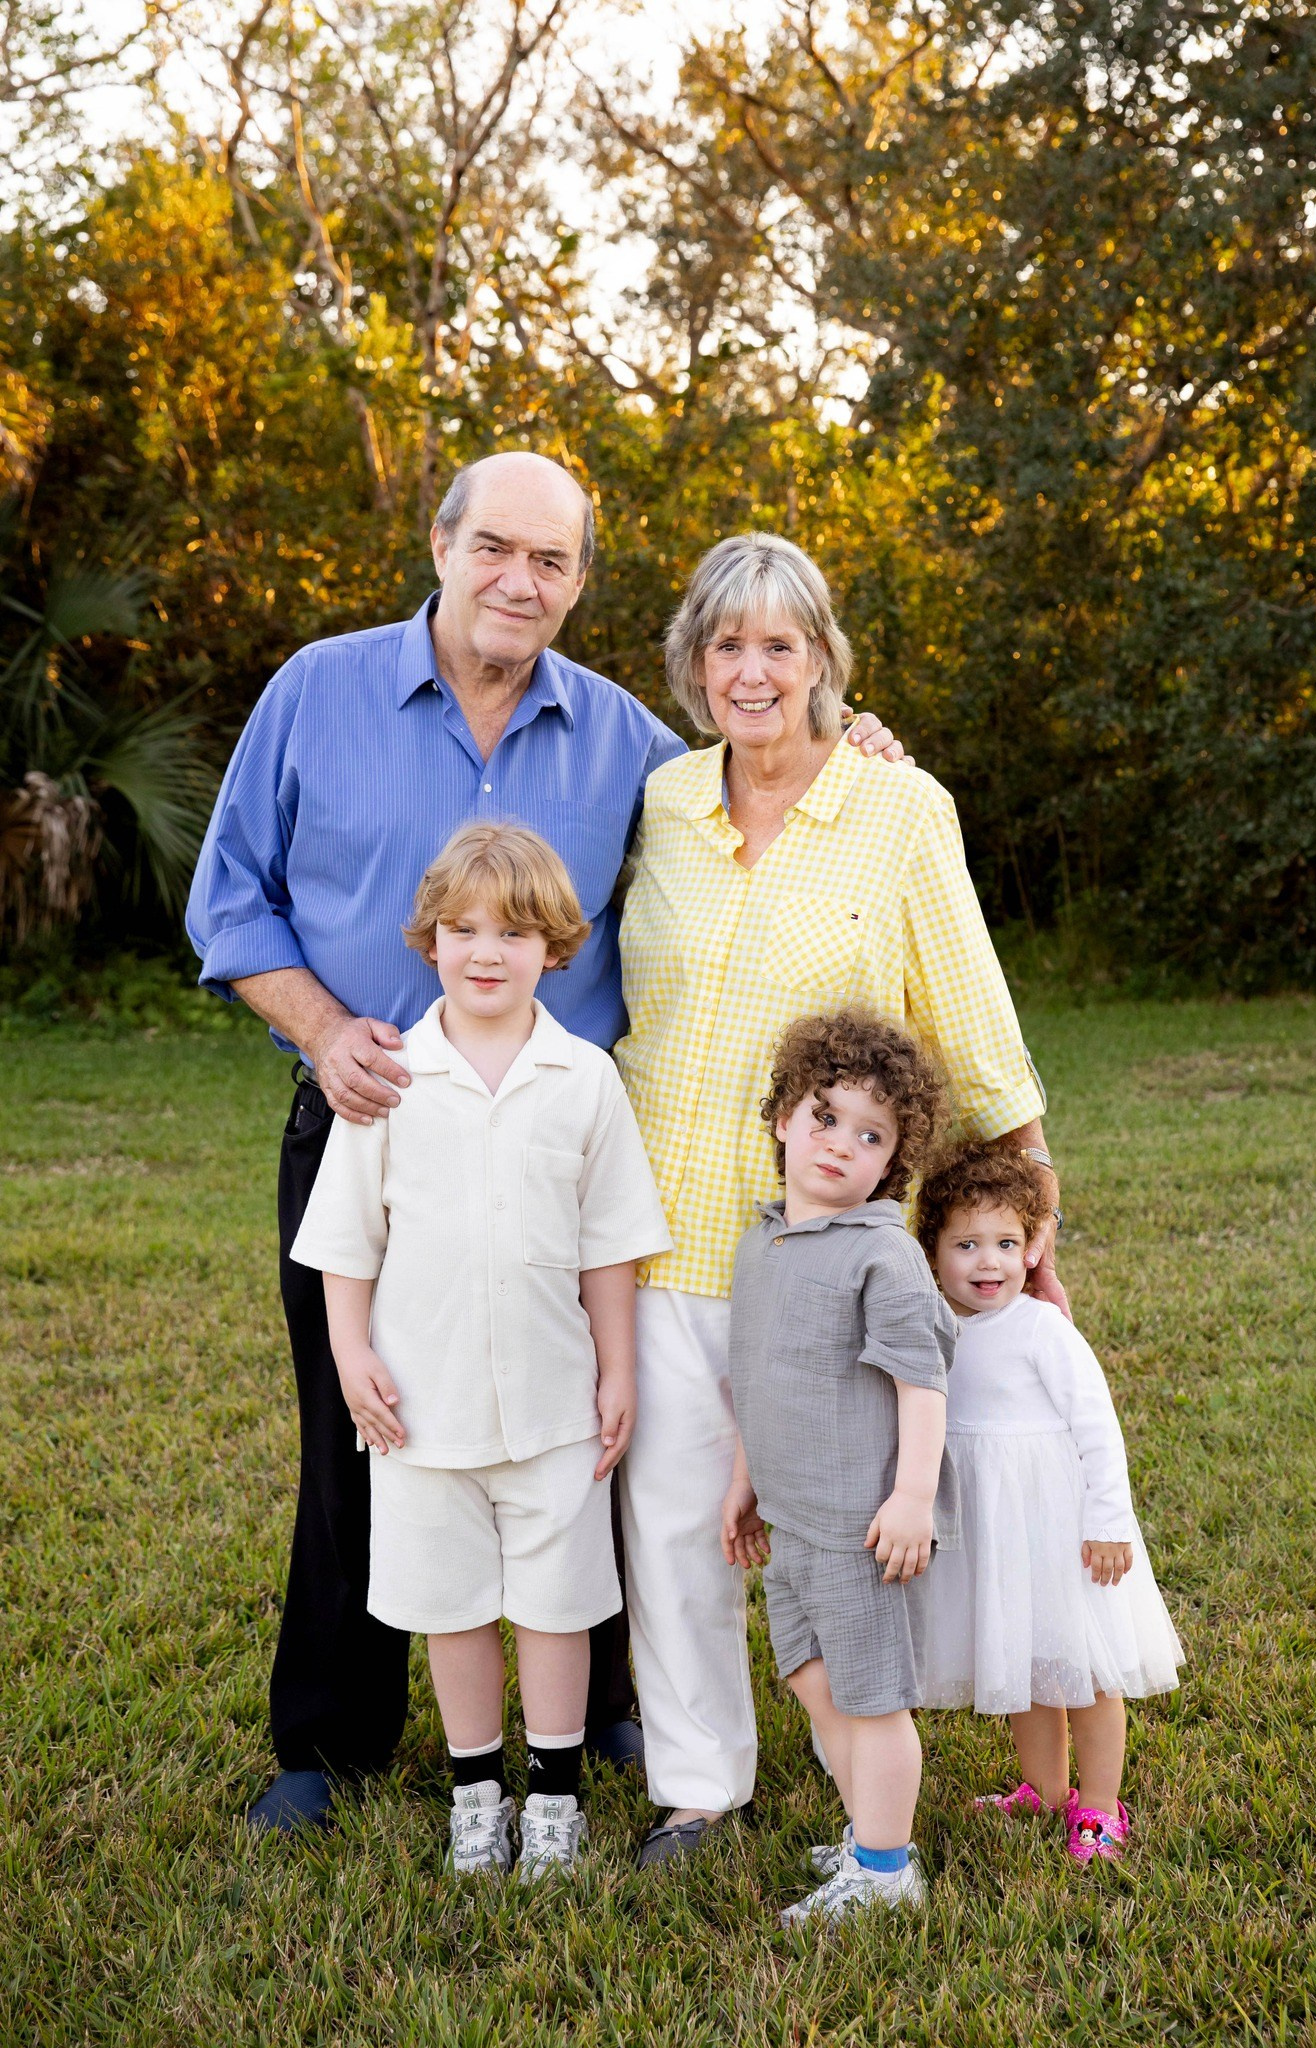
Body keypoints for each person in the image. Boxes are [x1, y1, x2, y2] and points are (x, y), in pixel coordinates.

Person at [186, 453, 900, 1833]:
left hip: (571, 1142)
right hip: (371, 1121)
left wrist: (853, 737)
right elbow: (231, 903)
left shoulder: (628, 739)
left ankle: (613, 1709)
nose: (521, 580)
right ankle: (329, 1736)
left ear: (579, 583)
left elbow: (758, 776)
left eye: (553, 561)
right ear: (441, 546)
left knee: (592, 1424)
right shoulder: (315, 693)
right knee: (362, 1418)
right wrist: (328, 1031)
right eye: (496, 548)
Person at [614, 529, 1066, 1865]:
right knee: (677, 1528)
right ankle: (699, 1787)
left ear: (822, 660)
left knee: (825, 1539)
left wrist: (1031, 1194)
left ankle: (866, 1784)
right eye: (726, 643)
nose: (750, 671)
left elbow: (973, 1018)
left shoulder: (899, 808)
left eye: (779, 644)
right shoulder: (661, 806)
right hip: (658, 1229)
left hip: (818, 1257)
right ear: (695, 663)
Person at [290, 822, 672, 1877]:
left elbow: (610, 1244)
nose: (486, 951)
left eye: (512, 930)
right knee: (451, 1604)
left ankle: (552, 1795)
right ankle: (478, 1787)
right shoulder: (390, 1075)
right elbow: (344, 1239)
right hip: (423, 1402)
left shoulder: (585, 1077)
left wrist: (620, 1368)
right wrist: (352, 1351)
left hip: (555, 1402)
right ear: (430, 942)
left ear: (557, 945)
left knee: (556, 1605)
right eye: (462, 929)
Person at [722, 1011, 959, 1926]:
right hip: (793, 1518)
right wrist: (745, 1482)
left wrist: (910, 1498)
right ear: (782, 1115)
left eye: (871, 1135)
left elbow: (922, 1384)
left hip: (862, 1525)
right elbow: (757, 1374)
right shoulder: (765, 1241)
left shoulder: (882, 1257)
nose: (839, 1144)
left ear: (890, 1164)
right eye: (824, 1116)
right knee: (810, 1679)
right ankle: (869, 1822)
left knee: (870, 1699)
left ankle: (886, 1869)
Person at [914, 1141, 1185, 1864]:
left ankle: (1097, 1807)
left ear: (1031, 1247)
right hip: (993, 1529)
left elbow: (1097, 1429)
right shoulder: (938, 1330)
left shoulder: (1039, 1329)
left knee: (1085, 1668)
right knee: (1025, 1663)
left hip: (1060, 1527)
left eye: (1005, 1243)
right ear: (931, 1251)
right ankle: (1044, 1788)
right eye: (965, 1245)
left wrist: (1106, 1523)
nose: (987, 1263)